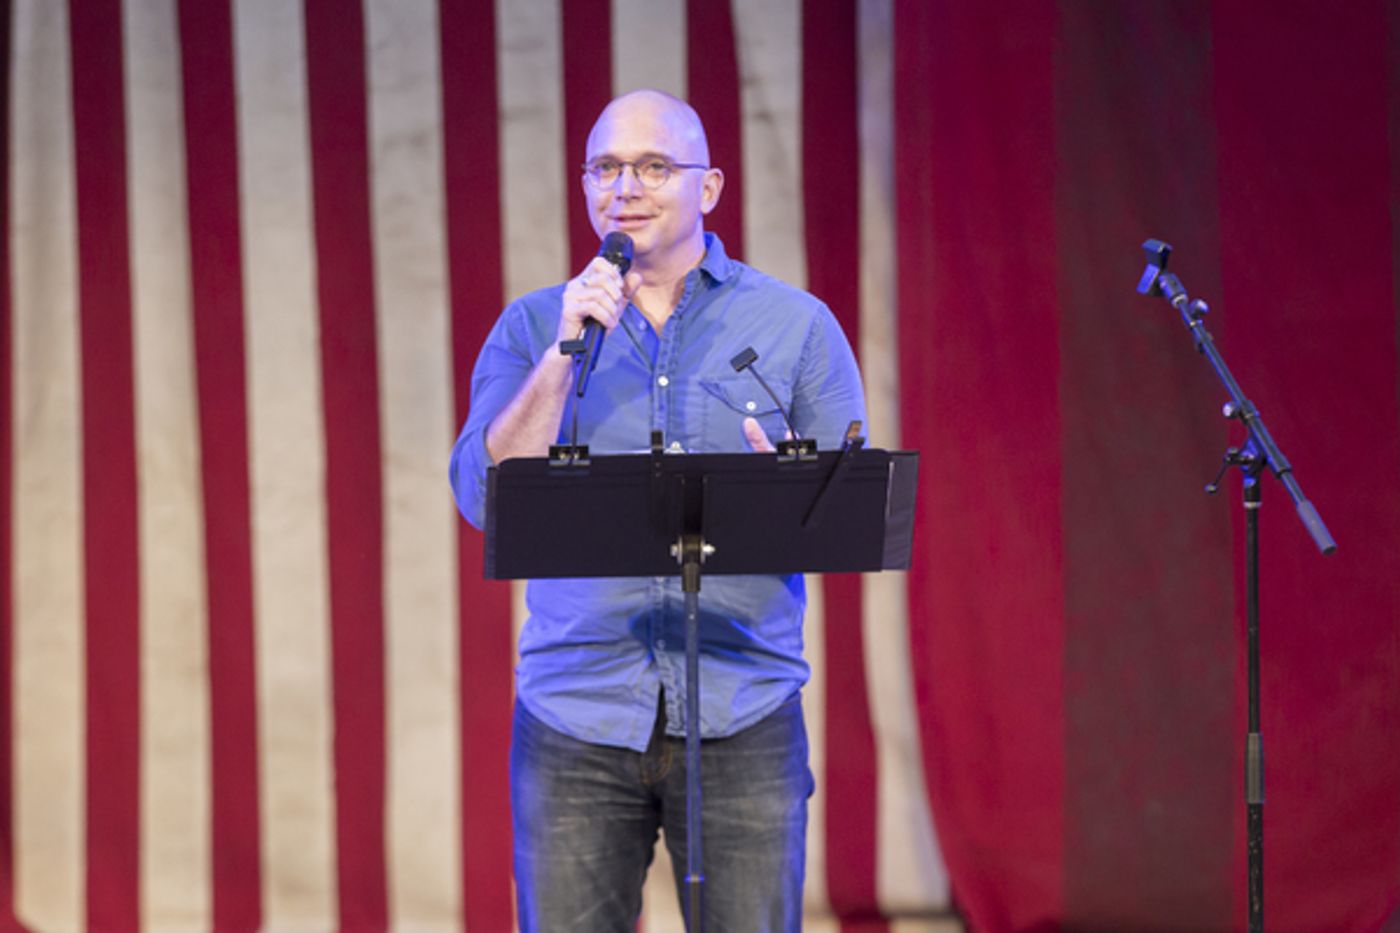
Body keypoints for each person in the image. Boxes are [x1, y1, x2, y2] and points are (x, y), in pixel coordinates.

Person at [449, 89, 866, 932]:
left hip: (743, 709)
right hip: (577, 713)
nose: (625, 188)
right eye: (605, 168)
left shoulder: (796, 326)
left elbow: (850, 514)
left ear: (708, 187)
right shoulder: (534, 326)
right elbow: (482, 495)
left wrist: (786, 484)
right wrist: (563, 355)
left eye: (651, 167)